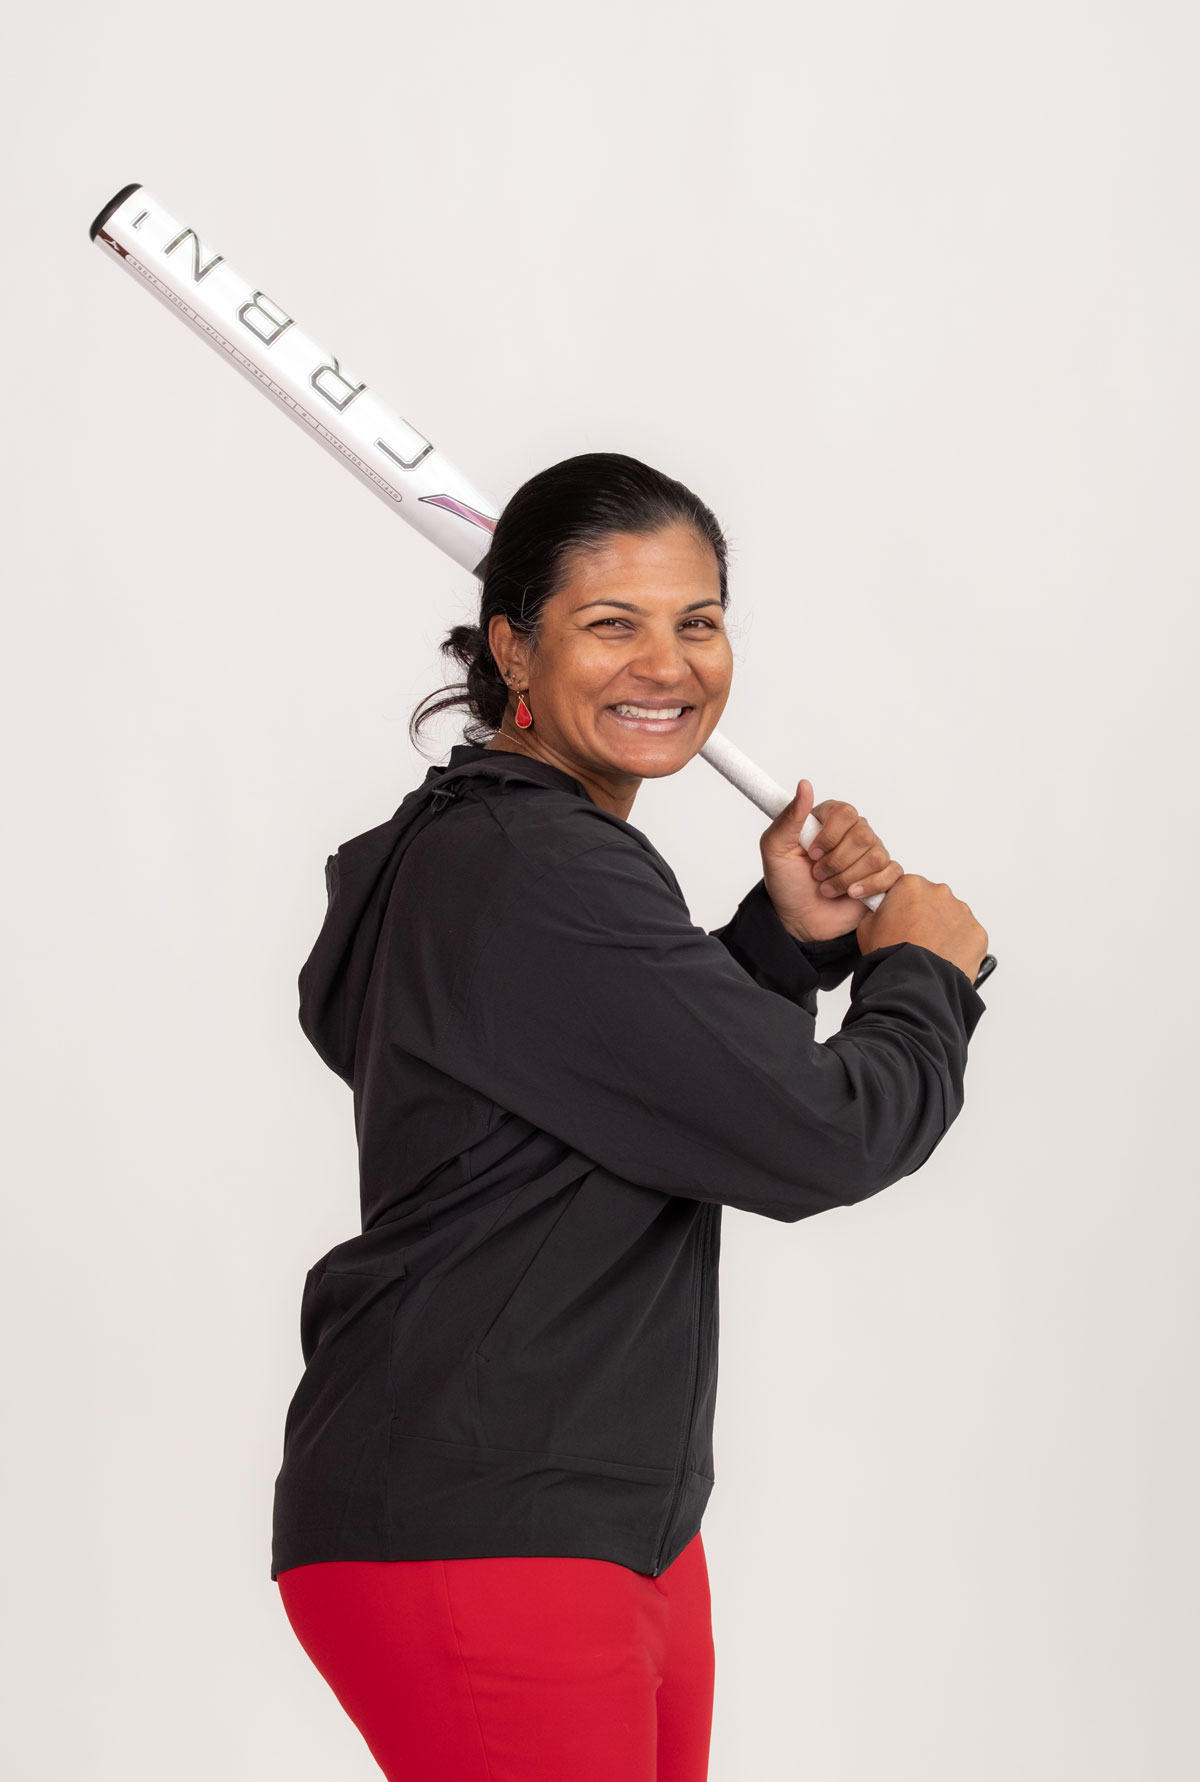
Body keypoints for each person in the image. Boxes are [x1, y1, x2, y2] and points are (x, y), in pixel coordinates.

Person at [271, 452, 989, 1781]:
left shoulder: (517, 851)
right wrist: (922, 972)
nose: (668, 663)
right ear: (513, 646)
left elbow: (637, 1086)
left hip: (606, 1520)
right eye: (613, 622)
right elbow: (820, 1134)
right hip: (487, 1525)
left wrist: (782, 943)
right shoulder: (527, 859)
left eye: (697, 620)